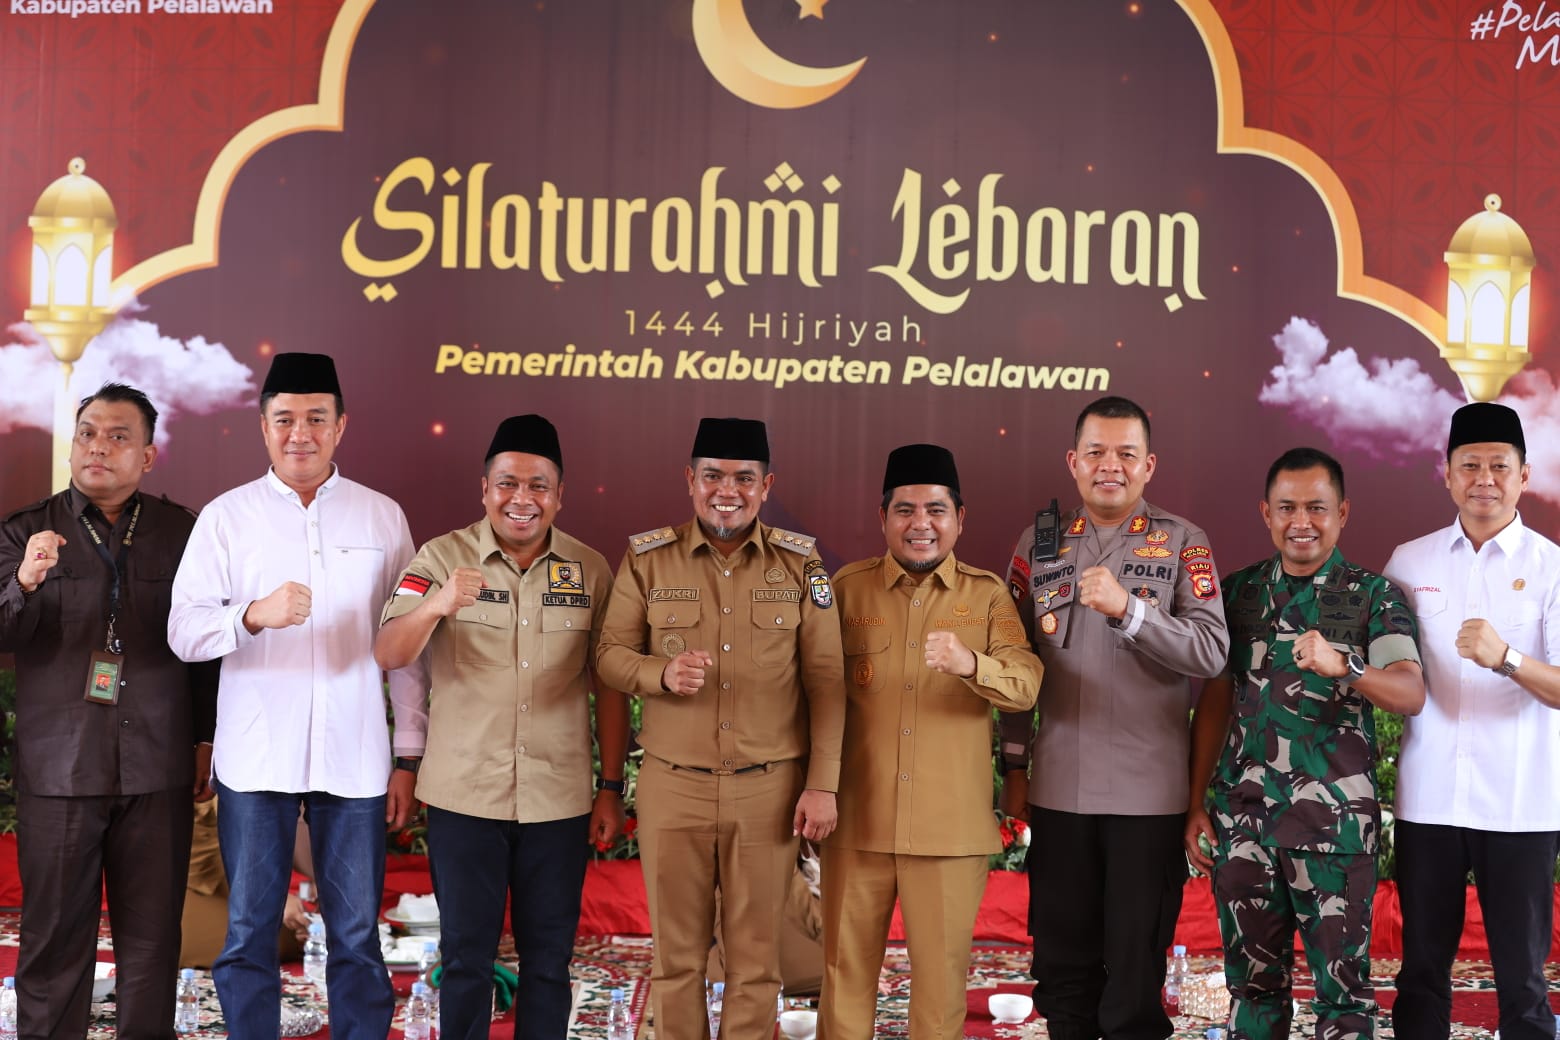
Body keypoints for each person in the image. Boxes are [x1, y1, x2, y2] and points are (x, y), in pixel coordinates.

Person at [167, 352, 424, 1040]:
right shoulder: (227, 518)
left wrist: (408, 754)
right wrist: (252, 615)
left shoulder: (381, 518)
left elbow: (409, 646)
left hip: (355, 756)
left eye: (315, 418)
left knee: (356, 933)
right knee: (249, 929)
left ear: (341, 426)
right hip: (258, 758)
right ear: (263, 427)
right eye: (284, 419)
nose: (299, 433)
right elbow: (183, 632)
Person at [374, 414, 629, 1040]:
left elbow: (610, 685)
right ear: (484, 489)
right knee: (466, 959)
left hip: (558, 798)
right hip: (465, 797)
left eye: (539, 485)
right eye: (508, 483)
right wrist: (438, 604)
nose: (522, 498)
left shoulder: (590, 569)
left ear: (560, 495)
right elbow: (389, 651)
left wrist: (610, 786)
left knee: (549, 961)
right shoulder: (441, 558)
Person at [596, 417, 846, 1040]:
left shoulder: (801, 563)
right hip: (674, 786)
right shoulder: (648, 559)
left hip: (769, 788)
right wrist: (659, 673)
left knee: (756, 964)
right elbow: (609, 655)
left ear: (766, 486)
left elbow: (827, 680)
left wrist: (822, 783)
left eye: (743, 478)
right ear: (690, 480)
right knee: (675, 959)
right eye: (712, 476)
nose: (726, 491)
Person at [998, 395, 1229, 1040]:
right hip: (1058, 790)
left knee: (1132, 977)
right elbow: (1011, 662)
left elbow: (1212, 652)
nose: (1110, 466)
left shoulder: (1183, 542)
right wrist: (1014, 768)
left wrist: (1131, 611)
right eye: (1096, 452)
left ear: (1149, 465)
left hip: (1147, 798)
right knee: (1062, 970)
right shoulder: (1038, 543)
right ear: (1072, 461)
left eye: (1126, 454)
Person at [0, 383, 217, 1040]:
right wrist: (26, 580)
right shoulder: (25, 530)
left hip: (158, 762)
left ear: (147, 455)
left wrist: (204, 740)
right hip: (60, 768)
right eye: (88, 433)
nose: (98, 447)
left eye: (118, 436)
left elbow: (207, 649)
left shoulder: (185, 532)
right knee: (53, 939)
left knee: (152, 941)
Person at [1184, 447, 1425, 1039]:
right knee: (1251, 992)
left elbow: (1409, 692)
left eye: (1317, 507)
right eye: (1287, 507)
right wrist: (1194, 803)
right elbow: (1214, 703)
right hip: (1244, 824)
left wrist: (1346, 665)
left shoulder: (1374, 595)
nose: (1301, 522)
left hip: (1333, 831)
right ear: (1266, 513)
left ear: (1342, 513)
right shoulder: (1237, 593)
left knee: (1344, 1001)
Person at [819, 444, 1042, 1040]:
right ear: (883, 517)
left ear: (959, 519)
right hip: (857, 822)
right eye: (905, 509)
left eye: (936, 510)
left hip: (948, 832)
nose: (921, 523)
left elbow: (1026, 686)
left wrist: (972, 664)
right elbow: (811, 692)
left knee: (941, 991)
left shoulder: (987, 596)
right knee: (843, 978)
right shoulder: (847, 589)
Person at [1383, 402, 1560, 1040]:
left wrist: (1506, 658)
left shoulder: (1551, 566)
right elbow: (1386, 667)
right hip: (1428, 799)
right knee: (1420, 974)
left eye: (1499, 466)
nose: (1484, 479)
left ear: (1524, 475)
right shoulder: (1410, 562)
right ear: (1448, 474)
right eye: (1470, 465)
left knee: (1524, 982)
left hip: (1520, 804)